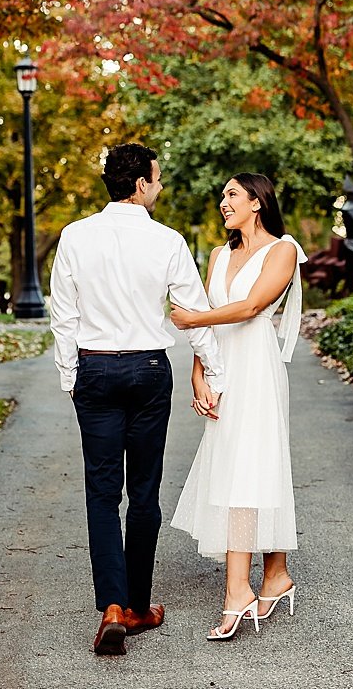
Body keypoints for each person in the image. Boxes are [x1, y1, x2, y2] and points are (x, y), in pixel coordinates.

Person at [48, 142, 227, 656]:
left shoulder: (75, 236)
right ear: (142, 185)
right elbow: (192, 311)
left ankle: (111, 605)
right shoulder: (167, 241)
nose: (162, 185)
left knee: (102, 493)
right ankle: (138, 607)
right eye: (159, 177)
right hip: (149, 370)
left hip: (95, 368)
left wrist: (70, 377)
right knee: (144, 490)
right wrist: (214, 372)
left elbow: (64, 315)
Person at [168, 173, 304, 641]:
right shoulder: (218, 254)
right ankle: (273, 577)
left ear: (257, 202)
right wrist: (198, 371)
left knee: (250, 466)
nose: (222, 202)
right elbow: (209, 324)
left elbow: (250, 307)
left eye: (231, 195)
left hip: (257, 369)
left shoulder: (282, 249)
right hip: (223, 365)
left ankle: (238, 591)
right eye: (222, 196)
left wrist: (191, 318)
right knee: (234, 464)